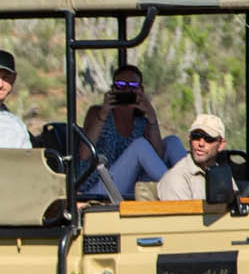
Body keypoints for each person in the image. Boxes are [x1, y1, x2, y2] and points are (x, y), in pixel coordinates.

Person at [77, 64, 186, 196]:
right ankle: (177, 191)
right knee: (140, 146)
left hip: (131, 186)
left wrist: (152, 117)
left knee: (172, 141)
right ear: (113, 89)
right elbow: (84, 154)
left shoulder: (141, 122)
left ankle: (191, 186)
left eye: (133, 86)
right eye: (121, 85)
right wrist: (103, 115)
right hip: (100, 187)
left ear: (141, 90)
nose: (127, 90)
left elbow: (157, 157)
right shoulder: (97, 113)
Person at [157, 114, 229, 199]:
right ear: (189, 139)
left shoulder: (223, 174)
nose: (201, 143)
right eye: (196, 136)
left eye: (208, 138)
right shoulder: (176, 178)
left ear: (221, 145)